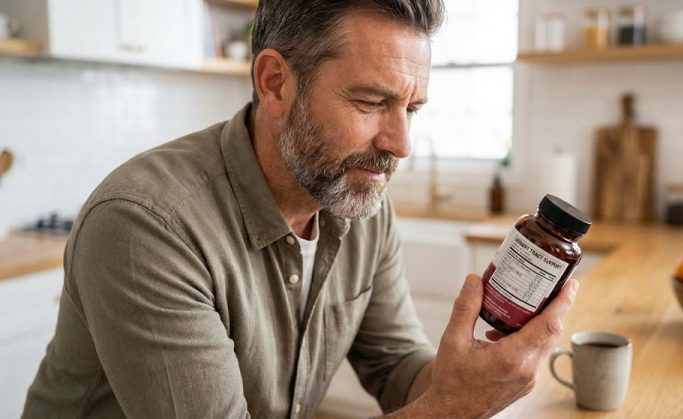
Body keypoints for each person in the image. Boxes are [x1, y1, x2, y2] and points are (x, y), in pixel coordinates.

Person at [23, 1, 578, 417]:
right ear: (275, 84)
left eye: (413, 108)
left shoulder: (355, 197)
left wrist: (474, 379)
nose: (400, 143)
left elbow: (394, 365)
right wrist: (449, 408)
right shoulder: (145, 225)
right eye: (370, 102)